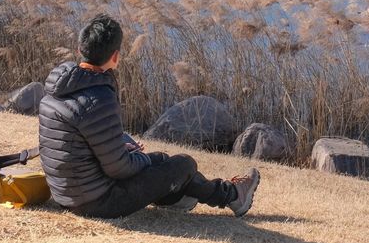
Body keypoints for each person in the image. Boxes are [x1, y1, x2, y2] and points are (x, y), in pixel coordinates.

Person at [38, 13, 259, 219]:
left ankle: (179, 196)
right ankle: (231, 196)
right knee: (184, 164)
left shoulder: (57, 87)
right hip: (98, 201)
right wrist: (139, 157)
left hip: (66, 194)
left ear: (80, 49)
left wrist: (125, 149)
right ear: (115, 56)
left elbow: (78, 145)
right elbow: (119, 168)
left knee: (161, 159)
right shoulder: (97, 98)